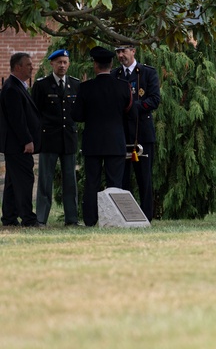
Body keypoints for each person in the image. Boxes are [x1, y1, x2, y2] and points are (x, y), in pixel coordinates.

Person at [72, 46, 133, 227]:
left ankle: (90, 220)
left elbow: (77, 116)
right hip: (115, 140)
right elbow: (129, 111)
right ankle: (114, 219)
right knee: (115, 182)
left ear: (95, 65)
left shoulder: (85, 87)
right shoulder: (124, 86)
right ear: (111, 64)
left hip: (93, 142)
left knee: (92, 181)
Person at [30, 49, 80, 226]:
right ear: (51, 63)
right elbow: (33, 114)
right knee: (45, 181)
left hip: (68, 140)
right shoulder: (42, 85)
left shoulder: (75, 84)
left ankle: (72, 219)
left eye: (65, 62)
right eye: (59, 62)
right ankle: (41, 219)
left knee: (70, 182)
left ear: (69, 64)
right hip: (48, 139)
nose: (62, 65)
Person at [113, 44, 161, 221]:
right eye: (118, 52)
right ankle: (125, 216)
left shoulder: (147, 73)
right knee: (123, 178)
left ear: (133, 51)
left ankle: (146, 216)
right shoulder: (114, 75)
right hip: (122, 133)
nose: (120, 55)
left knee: (144, 178)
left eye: (123, 51)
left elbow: (155, 99)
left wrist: (133, 107)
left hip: (142, 132)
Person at [1, 52, 42, 227]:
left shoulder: (18, 86)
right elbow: (16, 119)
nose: (32, 67)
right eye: (28, 65)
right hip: (18, 145)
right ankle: (28, 218)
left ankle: (9, 217)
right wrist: (27, 140)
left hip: (16, 145)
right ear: (18, 67)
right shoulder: (11, 88)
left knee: (12, 182)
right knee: (25, 180)